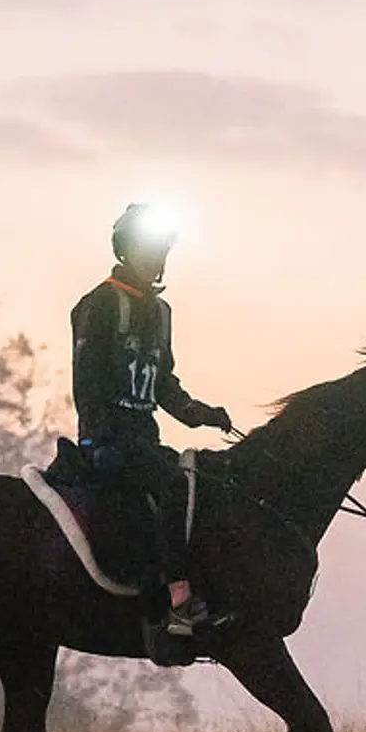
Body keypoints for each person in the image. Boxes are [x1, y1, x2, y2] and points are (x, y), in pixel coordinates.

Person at [70, 202, 233, 655]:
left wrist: (203, 413)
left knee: (202, 489)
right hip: (108, 440)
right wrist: (100, 439)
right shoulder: (99, 304)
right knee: (173, 486)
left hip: (145, 438)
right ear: (125, 250)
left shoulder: (161, 312)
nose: (158, 257)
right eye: (149, 248)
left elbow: (164, 386)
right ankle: (178, 601)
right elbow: (86, 382)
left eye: (163, 249)